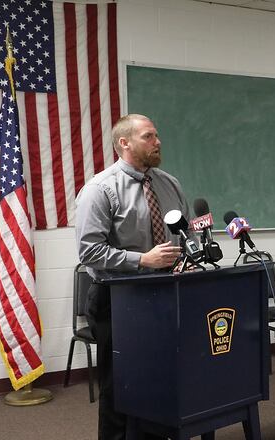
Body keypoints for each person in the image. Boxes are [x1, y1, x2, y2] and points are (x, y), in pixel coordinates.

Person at [75, 114, 187, 440]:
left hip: (167, 295)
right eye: (149, 136)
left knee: (162, 376)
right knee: (120, 383)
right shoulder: (100, 189)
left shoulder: (169, 184)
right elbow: (89, 252)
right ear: (125, 143)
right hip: (117, 299)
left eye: (157, 135)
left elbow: (186, 234)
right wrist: (144, 260)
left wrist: (185, 259)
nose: (158, 142)